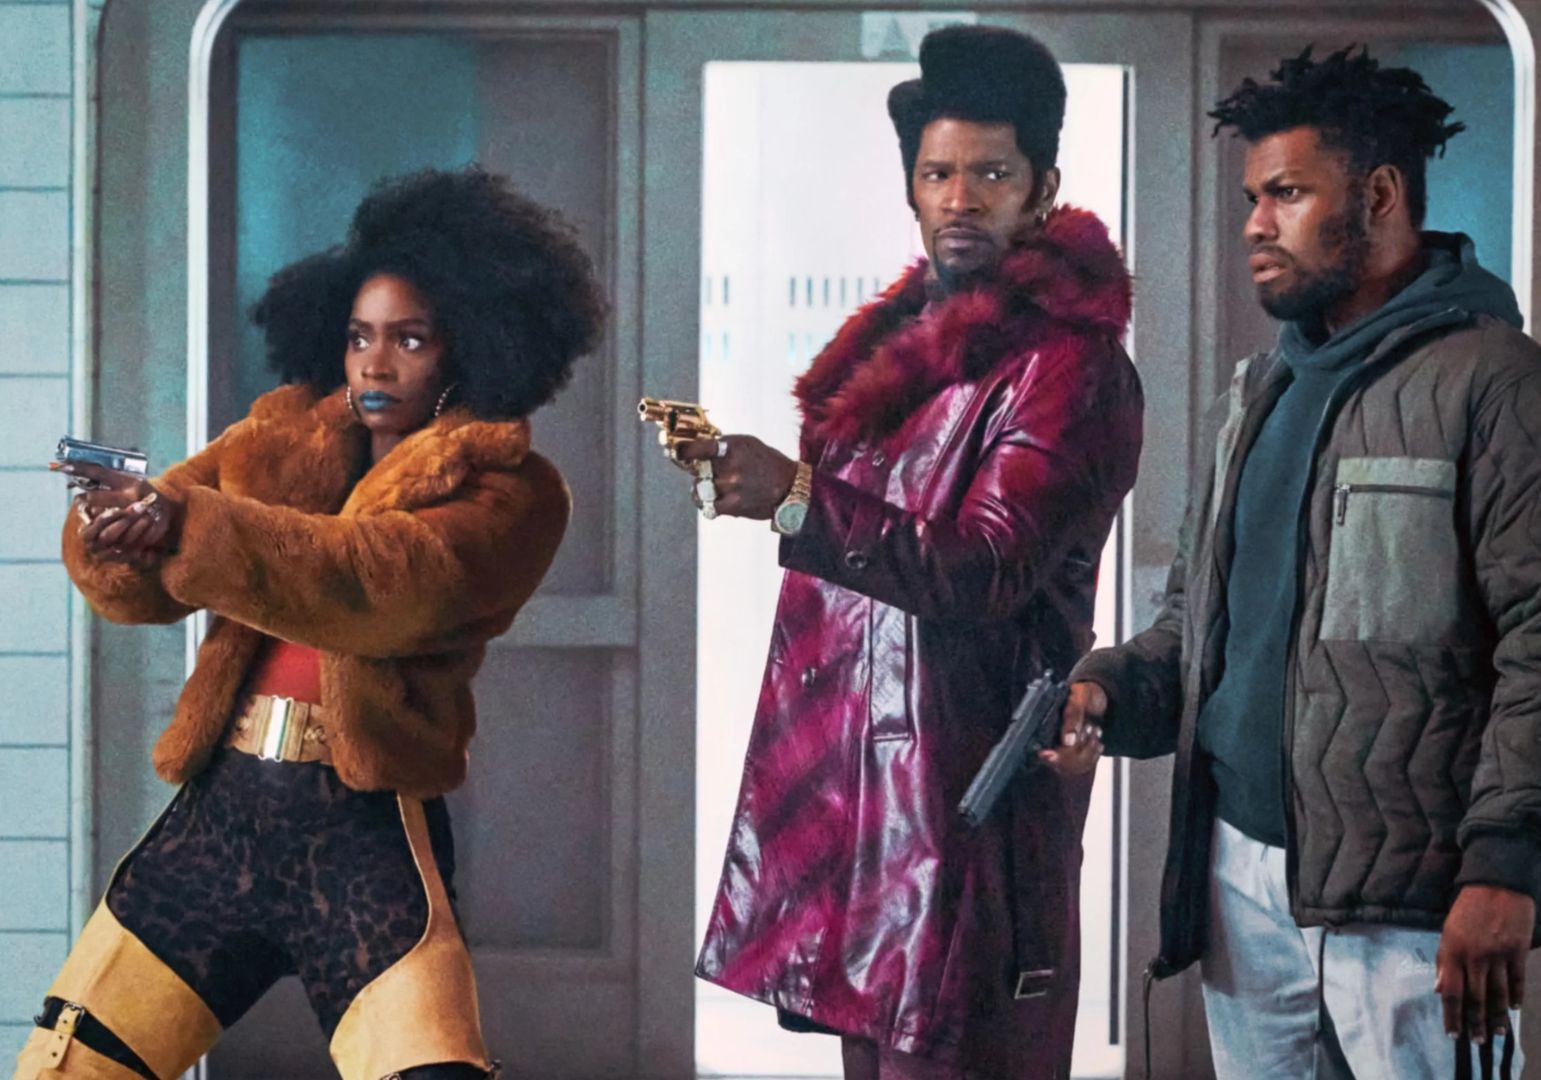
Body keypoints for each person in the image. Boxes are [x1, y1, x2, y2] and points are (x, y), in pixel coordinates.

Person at [1048, 47, 1541, 1079]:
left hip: (1410, 906)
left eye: (1286, 194)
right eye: (1252, 198)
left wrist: (1506, 866)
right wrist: (1110, 688)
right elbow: (1200, 627)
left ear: (1380, 196)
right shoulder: (1256, 393)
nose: (1255, 224)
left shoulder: (1502, 387)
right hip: (1237, 877)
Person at [19, 167, 604, 1080]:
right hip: (219, 820)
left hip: (361, 837)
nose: (375, 364)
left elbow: (376, 584)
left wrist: (184, 523)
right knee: (64, 1070)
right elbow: (142, 578)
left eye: (410, 339)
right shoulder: (280, 435)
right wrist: (114, 529)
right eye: (359, 336)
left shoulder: (515, 490)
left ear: (470, 344)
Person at [684, 26, 1143, 1080]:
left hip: (969, 799)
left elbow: (983, 569)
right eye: (939, 174)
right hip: (867, 803)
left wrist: (798, 498)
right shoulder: (906, 360)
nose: (961, 198)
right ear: (912, 189)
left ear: (1043, 188)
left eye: (992, 173)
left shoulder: (1066, 367)